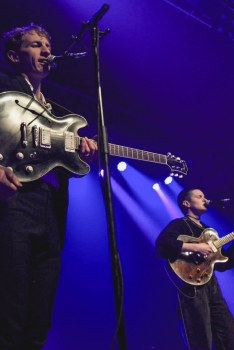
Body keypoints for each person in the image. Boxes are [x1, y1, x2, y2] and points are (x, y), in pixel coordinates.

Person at [0, 23, 97, 349]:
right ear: (14, 55)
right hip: (13, 200)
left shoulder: (56, 112)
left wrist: (79, 152)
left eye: (47, 44)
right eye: (36, 45)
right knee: (9, 303)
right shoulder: (4, 87)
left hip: (50, 207)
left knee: (40, 310)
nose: (46, 51)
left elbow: (56, 162)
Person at [155, 188, 234, 350]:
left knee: (230, 337)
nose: (204, 199)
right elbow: (162, 244)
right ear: (187, 203)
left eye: (204, 196)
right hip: (191, 286)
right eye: (199, 196)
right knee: (200, 337)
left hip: (212, 285)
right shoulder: (180, 224)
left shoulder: (209, 231)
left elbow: (223, 264)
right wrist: (196, 247)